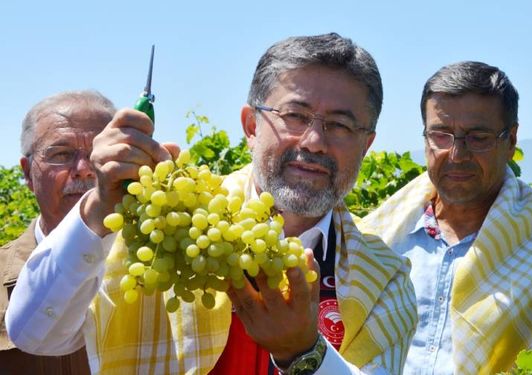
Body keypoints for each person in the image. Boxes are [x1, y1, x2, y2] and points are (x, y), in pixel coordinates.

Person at [6, 33, 417, 374]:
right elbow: (36, 334)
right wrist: (98, 208)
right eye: (294, 116)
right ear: (251, 127)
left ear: (366, 146)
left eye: (340, 125)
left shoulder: (385, 280)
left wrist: (304, 352)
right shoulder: (165, 218)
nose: (313, 141)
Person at [360, 61, 532, 374]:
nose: (457, 154)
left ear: (511, 141)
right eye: (441, 135)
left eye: (479, 137)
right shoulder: (379, 239)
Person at [0, 90, 115, 374]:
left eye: (98, 155)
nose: (84, 170)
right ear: (27, 173)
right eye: (61, 154)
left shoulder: (154, 270)